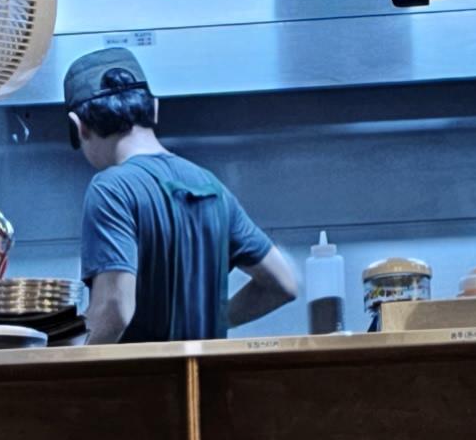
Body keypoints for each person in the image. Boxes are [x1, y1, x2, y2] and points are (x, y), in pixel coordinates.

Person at [64, 46, 300, 343]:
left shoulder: (111, 189)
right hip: (207, 372)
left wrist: (69, 364)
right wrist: (215, 319)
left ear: (79, 127)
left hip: (141, 374)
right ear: (155, 109)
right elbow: (283, 283)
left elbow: (115, 309)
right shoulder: (212, 187)